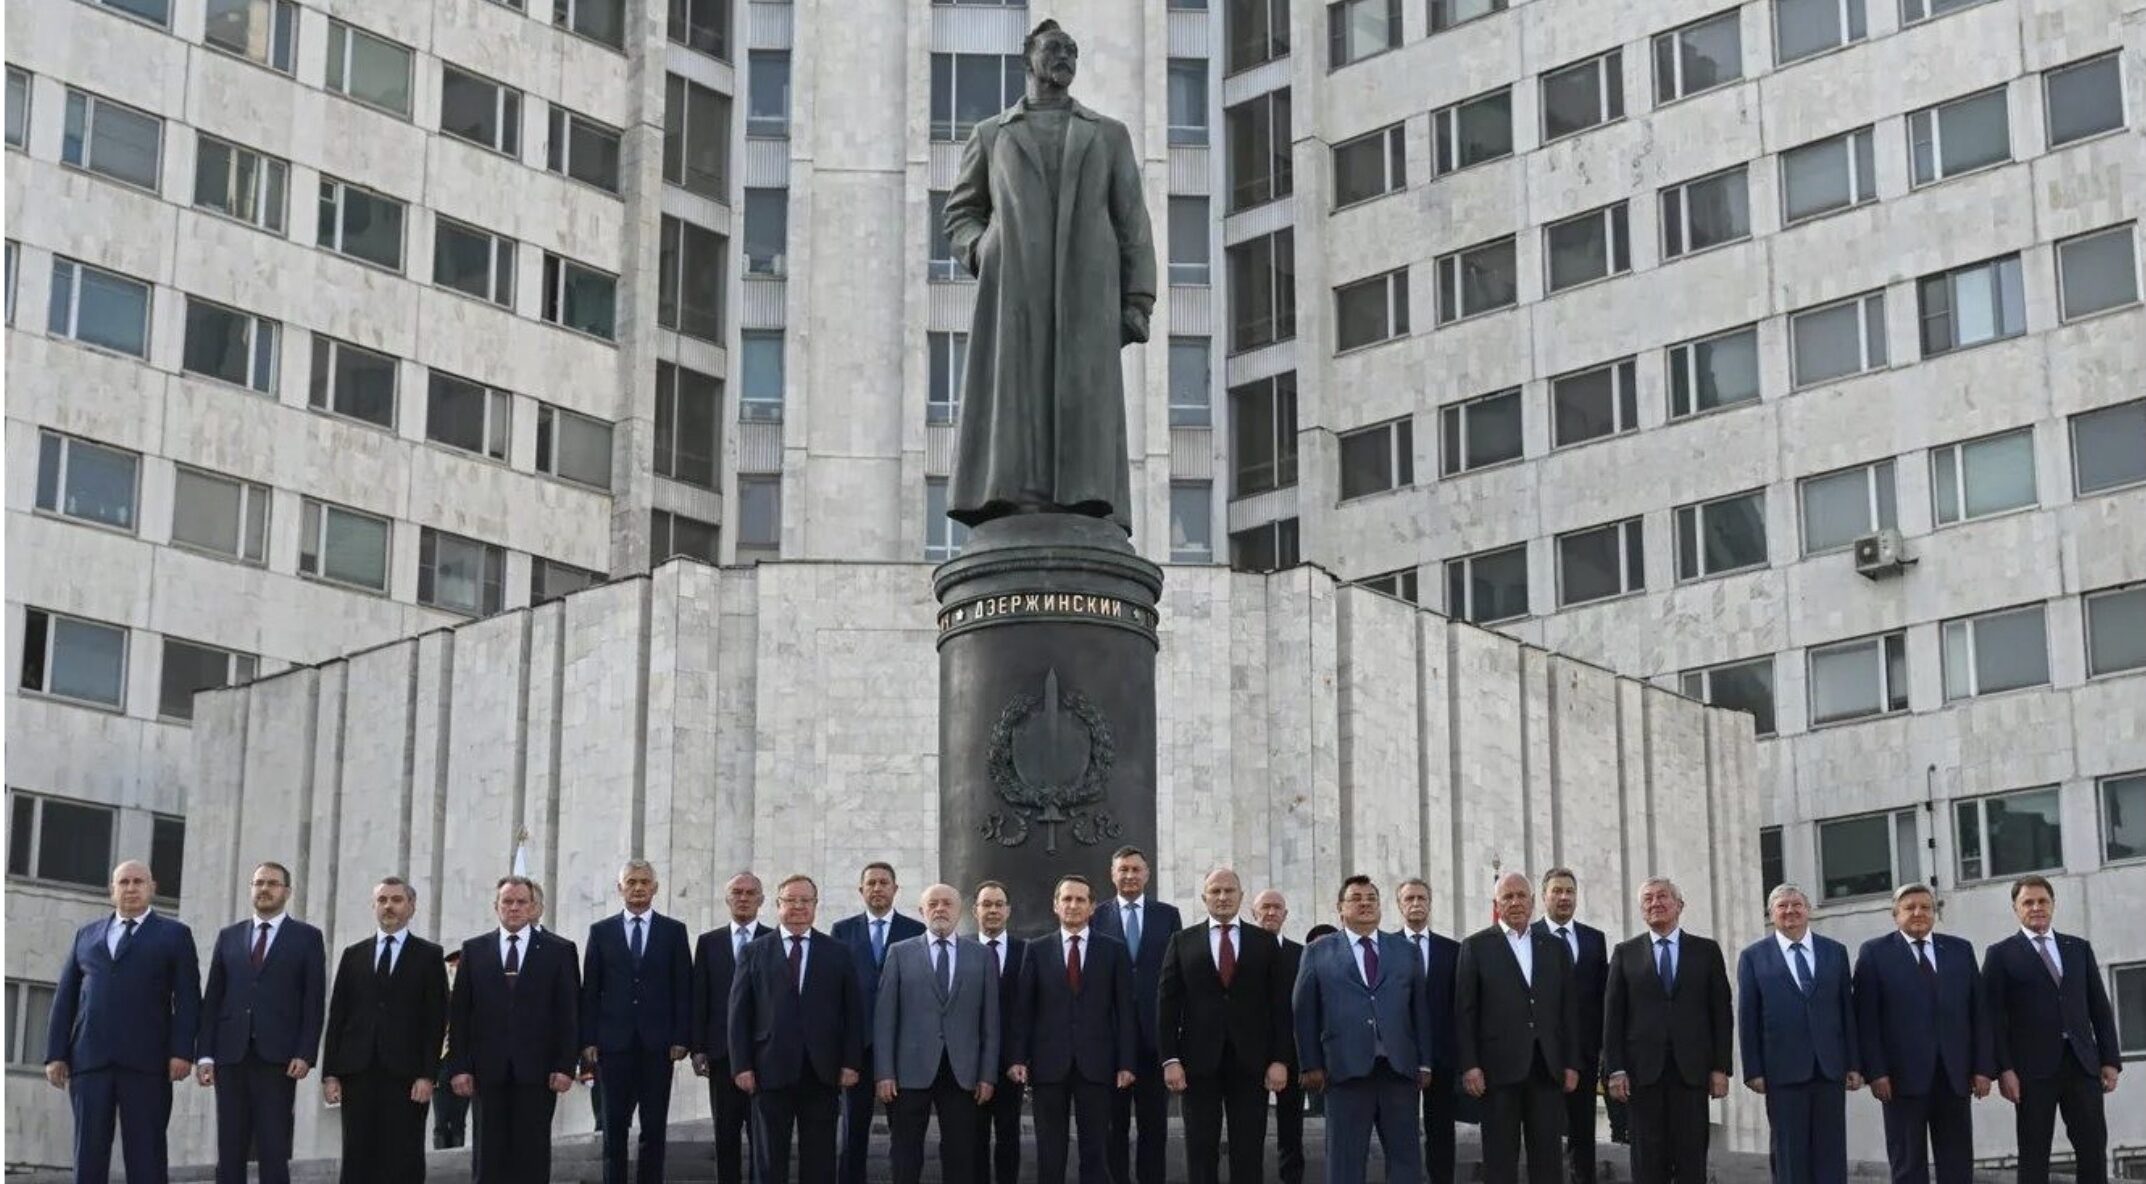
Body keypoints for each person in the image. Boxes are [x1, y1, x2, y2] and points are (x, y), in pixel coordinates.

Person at [941, 17, 1156, 531]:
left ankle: (1085, 498)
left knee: (1082, 397)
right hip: (1014, 290)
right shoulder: (991, 135)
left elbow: (1133, 222)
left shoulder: (1107, 135)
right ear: (1028, 58)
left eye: (1072, 51)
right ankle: (1014, 498)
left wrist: (1138, 300)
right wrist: (983, 248)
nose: (1064, 57)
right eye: (1054, 48)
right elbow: (959, 214)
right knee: (1016, 393)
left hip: (1087, 293)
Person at [45, 860, 200, 1184]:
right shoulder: (85, 936)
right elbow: (66, 997)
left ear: (152, 888)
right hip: (89, 1061)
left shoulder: (175, 935)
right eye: (124, 882)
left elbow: (188, 999)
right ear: (111, 890)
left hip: (148, 1063)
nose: (131, 888)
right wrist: (56, 1053)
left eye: (138, 882)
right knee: (88, 1156)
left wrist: (183, 1051)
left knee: (146, 1156)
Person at [1292, 875, 1434, 1184]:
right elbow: (1304, 1013)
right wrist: (1310, 1064)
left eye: (1371, 897)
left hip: (1398, 1071)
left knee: (1406, 1161)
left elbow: (1419, 1010)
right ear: (1340, 908)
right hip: (1344, 1072)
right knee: (1345, 1163)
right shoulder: (1319, 952)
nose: (1365, 903)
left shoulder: (1405, 951)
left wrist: (1424, 1061)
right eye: (1356, 898)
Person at [1982, 874, 2122, 1184]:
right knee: (2034, 1153)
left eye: (2042, 901)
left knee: (2093, 1148)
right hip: (2031, 1071)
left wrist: (2110, 1060)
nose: (2036, 907)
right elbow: (1992, 1020)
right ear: (2016, 909)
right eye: (2028, 902)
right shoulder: (2001, 954)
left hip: (2082, 1065)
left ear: (2053, 905)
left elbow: (2099, 1008)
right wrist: (2004, 1069)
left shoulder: (2078, 948)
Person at [195, 861, 327, 1184]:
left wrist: (305, 1052)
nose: (264, 889)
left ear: (287, 891)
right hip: (230, 1056)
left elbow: (314, 1001)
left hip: (279, 1058)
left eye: (272, 883)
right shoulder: (229, 937)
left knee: (273, 1145)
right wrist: (205, 1054)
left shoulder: (307, 938)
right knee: (230, 1147)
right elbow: (213, 998)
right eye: (258, 883)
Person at [1851, 882, 1992, 1184]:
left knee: (1957, 1165)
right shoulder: (1875, 953)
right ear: (1895, 914)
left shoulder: (1959, 950)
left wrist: (1983, 1068)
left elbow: (1978, 1013)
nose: (1918, 913)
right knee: (1907, 1165)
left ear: (1935, 913)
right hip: (1900, 1080)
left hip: (1954, 1076)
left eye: (1926, 907)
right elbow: (1867, 1020)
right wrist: (1875, 1072)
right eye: (1910, 907)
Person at [731, 874, 866, 1184]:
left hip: (822, 1071)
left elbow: (852, 1013)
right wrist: (742, 1066)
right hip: (769, 1070)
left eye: (806, 900)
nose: (798, 906)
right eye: (791, 900)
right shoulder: (754, 952)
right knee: (769, 1161)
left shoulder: (837, 952)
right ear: (777, 905)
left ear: (816, 906)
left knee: (819, 1161)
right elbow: (739, 1014)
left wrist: (850, 1062)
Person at [445, 875, 581, 1184]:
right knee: (488, 1158)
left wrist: (565, 1065)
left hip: (538, 1073)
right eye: (507, 901)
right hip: (486, 1072)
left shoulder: (559, 950)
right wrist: (459, 1067)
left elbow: (568, 1014)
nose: (514, 907)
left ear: (533, 908)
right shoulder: (474, 950)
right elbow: (462, 1015)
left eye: (522, 902)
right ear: (496, 906)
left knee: (531, 1158)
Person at [1158, 868, 1289, 1184]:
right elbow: (1166, 1004)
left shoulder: (1265, 943)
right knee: (1200, 1150)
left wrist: (1280, 1059)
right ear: (1204, 898)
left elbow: (1281, 1006)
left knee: (1248, 1151)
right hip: (1197, 1065)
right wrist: (1170, 1059)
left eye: (1229, 891)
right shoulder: (1182, 942)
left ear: (1241, 897)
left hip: (1252, 1063)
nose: (1222, 897)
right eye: (1215, 891)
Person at [1602, 877, 1731, 1184]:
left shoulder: (1706, 951)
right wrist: (1615, 1069)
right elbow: (1613, 1017)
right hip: (1642, 1075)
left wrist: (1720, 1068)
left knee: (1691, 1161)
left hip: (1691, 1073)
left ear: (1679, 905)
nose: (1655, 903)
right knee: (1647, 1164)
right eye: (1647, 899)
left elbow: (1721, 1013)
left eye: (1662, 897)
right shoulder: (1625, 953)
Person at [1010, 874, 1136, 1184]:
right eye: (1066, 899)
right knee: (1050, 1152)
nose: (1073, 905)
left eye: (1081, 899)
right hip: (1048, 1066)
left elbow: (1125, 1010)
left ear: (1093, 907)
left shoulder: (1113, 950)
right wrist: (1016, 1058)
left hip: (1097, 1064)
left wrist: (1126, 1062)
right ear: (1055, 906)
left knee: (1096, 1151)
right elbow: (1023, 1010)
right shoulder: (1036, 950)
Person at [322, 876, 449, 1184]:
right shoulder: (354, 954)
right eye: (382, 900)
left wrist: (427, 1074)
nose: (388, 906)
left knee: (402, 1156)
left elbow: (436, 1019)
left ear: (411, 906)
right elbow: (338, 1015)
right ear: (374, 906)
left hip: (406, 1076)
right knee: (357, 1155)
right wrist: (330, 1073)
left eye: (396, 900)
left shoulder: (429, 956)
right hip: (357, 1071)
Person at [1456, 872, 1580, 1184]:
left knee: (1548, 1158)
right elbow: (1464, 1012)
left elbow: (1568, 1011)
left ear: (1533, 901)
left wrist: (1571, 1063)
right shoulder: (1476, 947)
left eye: (1521, 896)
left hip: (1546, 1067)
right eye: (1507, 897)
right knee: (1499, 1158)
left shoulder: (1554, 947)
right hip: (1497, 1071)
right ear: (1496, 904)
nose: (1515, 902)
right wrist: (1470, 1065)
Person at [875, 883, 1000, 1184]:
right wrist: (884, 1072)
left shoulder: (981, 956)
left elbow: (991, 1021)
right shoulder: (899, 953)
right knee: (905, 1153)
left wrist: (987, 1075)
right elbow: (885, 1018)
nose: (940, 909)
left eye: (947, 904)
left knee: (960, 1154)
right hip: (909, 1072)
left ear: (960, 912)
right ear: (921, 911)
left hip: (963, 1073)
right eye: (933, 904)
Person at [1737, 884, 1861, 1184]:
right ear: (1771, 914)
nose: (1790, 911)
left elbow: (1847, 1010)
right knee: (1790, 1155)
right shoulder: (1754, 957)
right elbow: (1748, 1015)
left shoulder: (1834, 952)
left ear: (1808, 910)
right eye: (1782, 906)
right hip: (1782, 1071)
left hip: (1829, 1067)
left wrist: (1855, 1063)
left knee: (1831, 1152)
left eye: (1796, 904)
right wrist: (1753, 1069)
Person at [582, 859, 694, 1184]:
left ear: (655, 888)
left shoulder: (673, 931)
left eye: (645, 882)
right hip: (613, 1045)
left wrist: (681, 1037)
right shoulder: (601, 932)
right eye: (631, 882)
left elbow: (682, 988)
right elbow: (591, 988)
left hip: (658, 1047)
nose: (638, 888)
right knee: (613, 1128)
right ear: (620, 888)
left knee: (654, 1128)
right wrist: (587, 1039)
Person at [1088, 845, 1182, 1184]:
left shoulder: (1167, 915)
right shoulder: (1096, 916)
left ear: (1147, 874)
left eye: (1135, 870)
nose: (1129, 875)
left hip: (1153, 1039)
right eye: (1123, 869)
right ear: (1112, 875)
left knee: (1153, 1126)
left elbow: (1175, 976)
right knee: (1112, 1127)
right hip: (1110, 1040)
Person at [831, 862, 925, 1184]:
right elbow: (837, 994)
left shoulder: (915, 931)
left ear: (895, 890)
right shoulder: (842, 931)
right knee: (853, 1131)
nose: (877, 888)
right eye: (871, 883)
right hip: (857, 1049)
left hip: (900, 1050)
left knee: (904, 1135)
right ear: (861, 891)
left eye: (884, 882)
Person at [694, 871, 770, 1184]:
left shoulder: (774, 940)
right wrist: (698, 1048)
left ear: (762, 901)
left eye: (750, 893)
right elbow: (699, 998)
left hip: (764, 1054)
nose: (743, 898)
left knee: (761, 1137)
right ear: (727, 899)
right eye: (737, 892)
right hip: (721, 1055)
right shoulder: (709, 943)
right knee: (725, 1135)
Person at [1532, 869, 1607, 1184]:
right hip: (1539, 1052)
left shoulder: (1594, 939)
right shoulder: (1528, 936)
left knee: (1583, 1130)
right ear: (1544, 896)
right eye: (1557, 891)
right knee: (1542, 1130)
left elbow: (1601, 998)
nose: (1564, 897)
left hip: (1585, 1053)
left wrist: (1604, 1050)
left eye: (1569, 892)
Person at [1395, 878, 1462, 1184]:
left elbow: (1459, 1007)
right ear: (1400, 905)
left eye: (1422, 897)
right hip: (1398, 1056)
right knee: (1401, 1131)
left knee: (1441, 1132)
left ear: (1430, 903)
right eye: (1409, 898)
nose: (1416, 903)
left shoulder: (1453, 950)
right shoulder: (1386, 947)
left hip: (1441, 1056)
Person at [971, 881, 1028, 1184]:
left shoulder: (1027, 951)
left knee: (1008, 1136)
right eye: (986, 904)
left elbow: (1029, 1010)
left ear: (1008, 910)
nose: (992, 910)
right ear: (975, 910)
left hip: (1010, 1064)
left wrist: (1020, 1058)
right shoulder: (962, 948)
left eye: (998, 904)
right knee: (974, 1138)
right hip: (970, 1063)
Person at [1251, 891, 1307, 1184]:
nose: (1271, 913)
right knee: (1249, 1128)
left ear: (1285, 914)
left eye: (1277, 908)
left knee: (1291, 1127)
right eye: (1265, 908)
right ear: (1253, 913)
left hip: (1292, 1052)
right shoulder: (1240, 952)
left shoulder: (1301, 954)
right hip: (1249, 1053)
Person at [432, 949, 470, 1151]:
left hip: (462, 1063)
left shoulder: (470, 998)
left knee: (458, 1120)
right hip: (441, 1063)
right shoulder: (441, 997)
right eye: (452, 967)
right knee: (440, 1120)